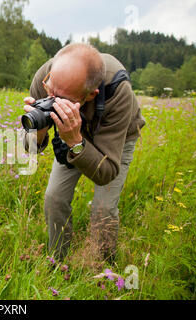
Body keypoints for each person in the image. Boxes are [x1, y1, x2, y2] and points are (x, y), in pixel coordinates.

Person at [22, 43, 146, 261]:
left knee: (103, 209)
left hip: (116, 137)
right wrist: (39, 132)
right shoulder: (47, 76)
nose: (51, 98)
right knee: (54, 198)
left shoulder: (118, 91)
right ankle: (57, 261)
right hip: (70, 133)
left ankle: (102, 269)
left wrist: (75, 141)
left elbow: (106, 172)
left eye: (63, 99)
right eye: (50, 90)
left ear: (90, 96)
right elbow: (30, 147)